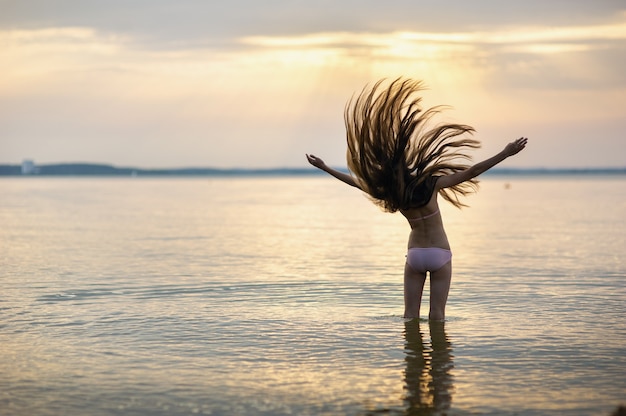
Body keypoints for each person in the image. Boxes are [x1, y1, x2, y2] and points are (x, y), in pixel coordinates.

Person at [306, 78, 527, 320]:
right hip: (439, 253)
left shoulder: (394, 193)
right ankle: (439, 354)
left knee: (410, 316)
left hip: (415, 255)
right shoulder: (431, 185)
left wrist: (325, 167)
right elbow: (472, 172)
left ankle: (412, 356)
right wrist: (506, 153)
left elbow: (359, 183)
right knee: (438, 316)